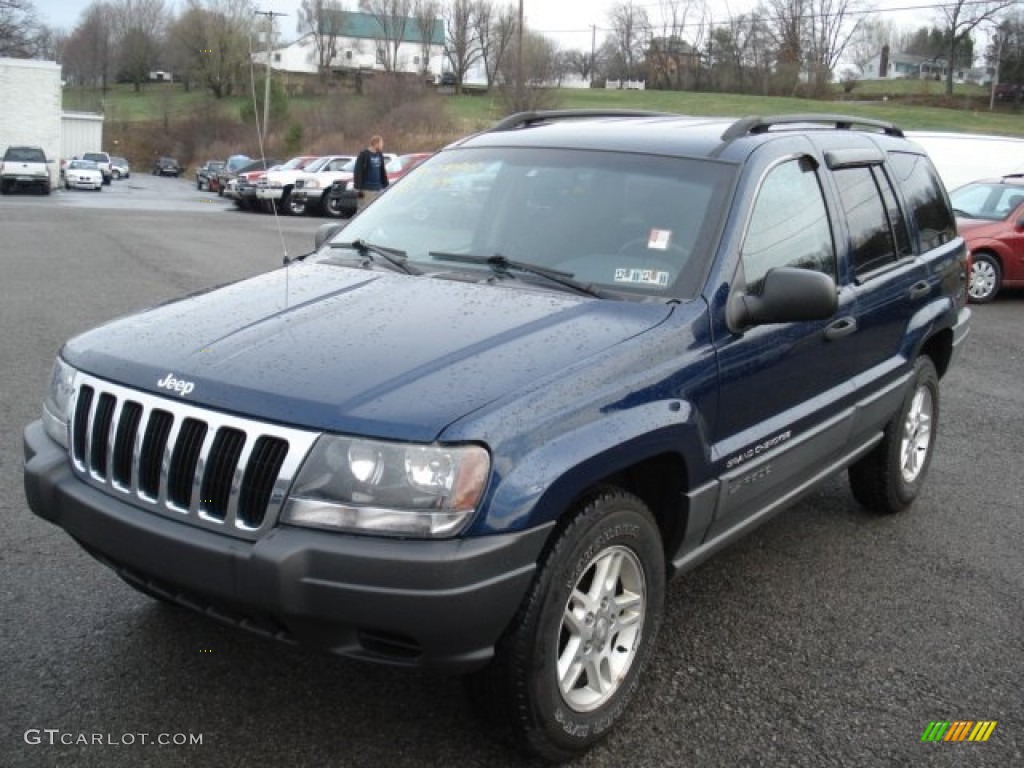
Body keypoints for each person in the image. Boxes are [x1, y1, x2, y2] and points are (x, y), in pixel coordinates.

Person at [353, 135, 389, 211]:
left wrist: (386, 185)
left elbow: (382, 171)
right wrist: (358, 187)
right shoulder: (364, 154)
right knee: (363, 211)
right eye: (381, 143)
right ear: (376, 143)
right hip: (366, 189)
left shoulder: (380, 155)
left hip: (378, 188)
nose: (382, 145)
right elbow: (357, 171)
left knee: (376, 211)